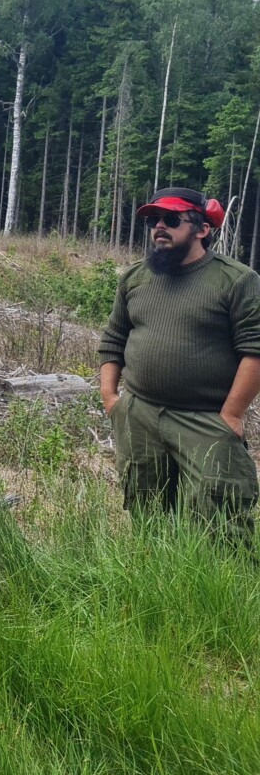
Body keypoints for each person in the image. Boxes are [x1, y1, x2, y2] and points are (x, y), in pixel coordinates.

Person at [98, 187, 260, 538]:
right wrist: (112, 400)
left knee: (221, 519)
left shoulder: (236, 280)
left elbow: (255, 351)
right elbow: (113, 340)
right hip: (139, 415)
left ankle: (220, 590)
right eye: (154, 220)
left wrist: (231, 414)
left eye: (171, 220)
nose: (159, 227)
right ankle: (157, 583)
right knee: (146, 509)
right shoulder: (134, 278)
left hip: (205, 418)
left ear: (202, 229)